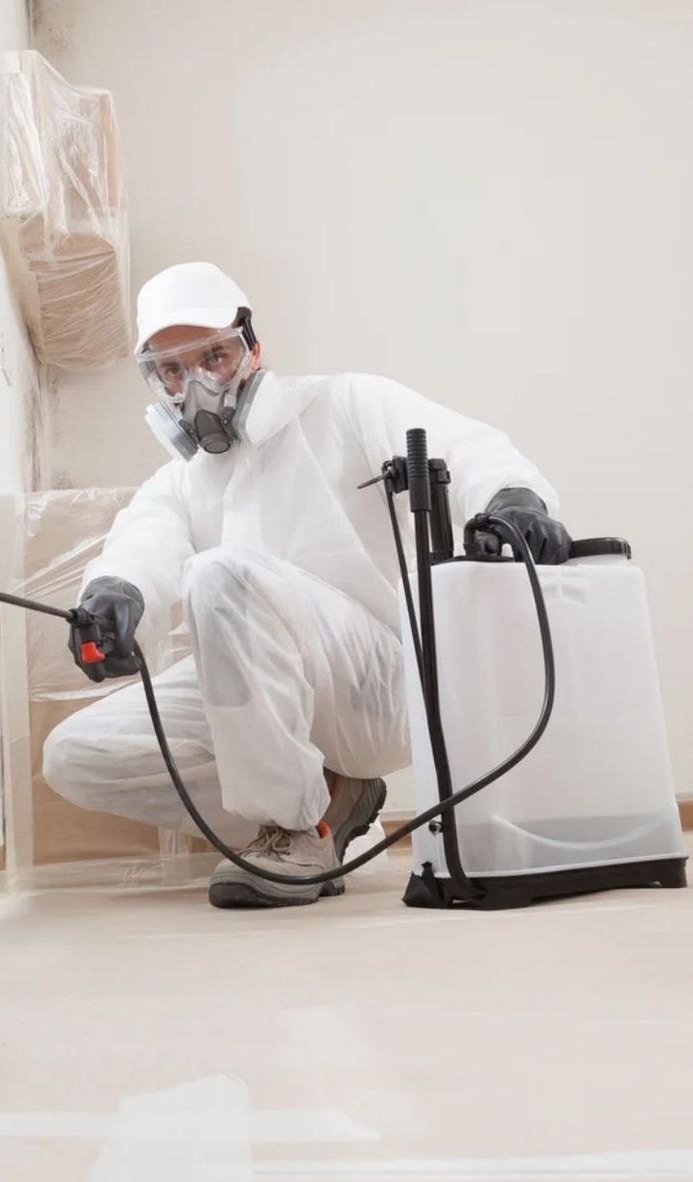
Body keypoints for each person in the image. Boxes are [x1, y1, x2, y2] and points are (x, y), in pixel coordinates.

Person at [41, 261, 569, 909]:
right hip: (262, 705)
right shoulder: (182, 482)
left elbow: (467, 448)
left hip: (376, 684)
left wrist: (513, 498)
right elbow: (140, 547)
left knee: (221, 573)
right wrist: (113, 600)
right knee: (77, 754)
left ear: (253, 347)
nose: (198, 384)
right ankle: (324, 805)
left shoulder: (344, 405)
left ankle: (294, 830)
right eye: (173, 370)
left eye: (214, 356)